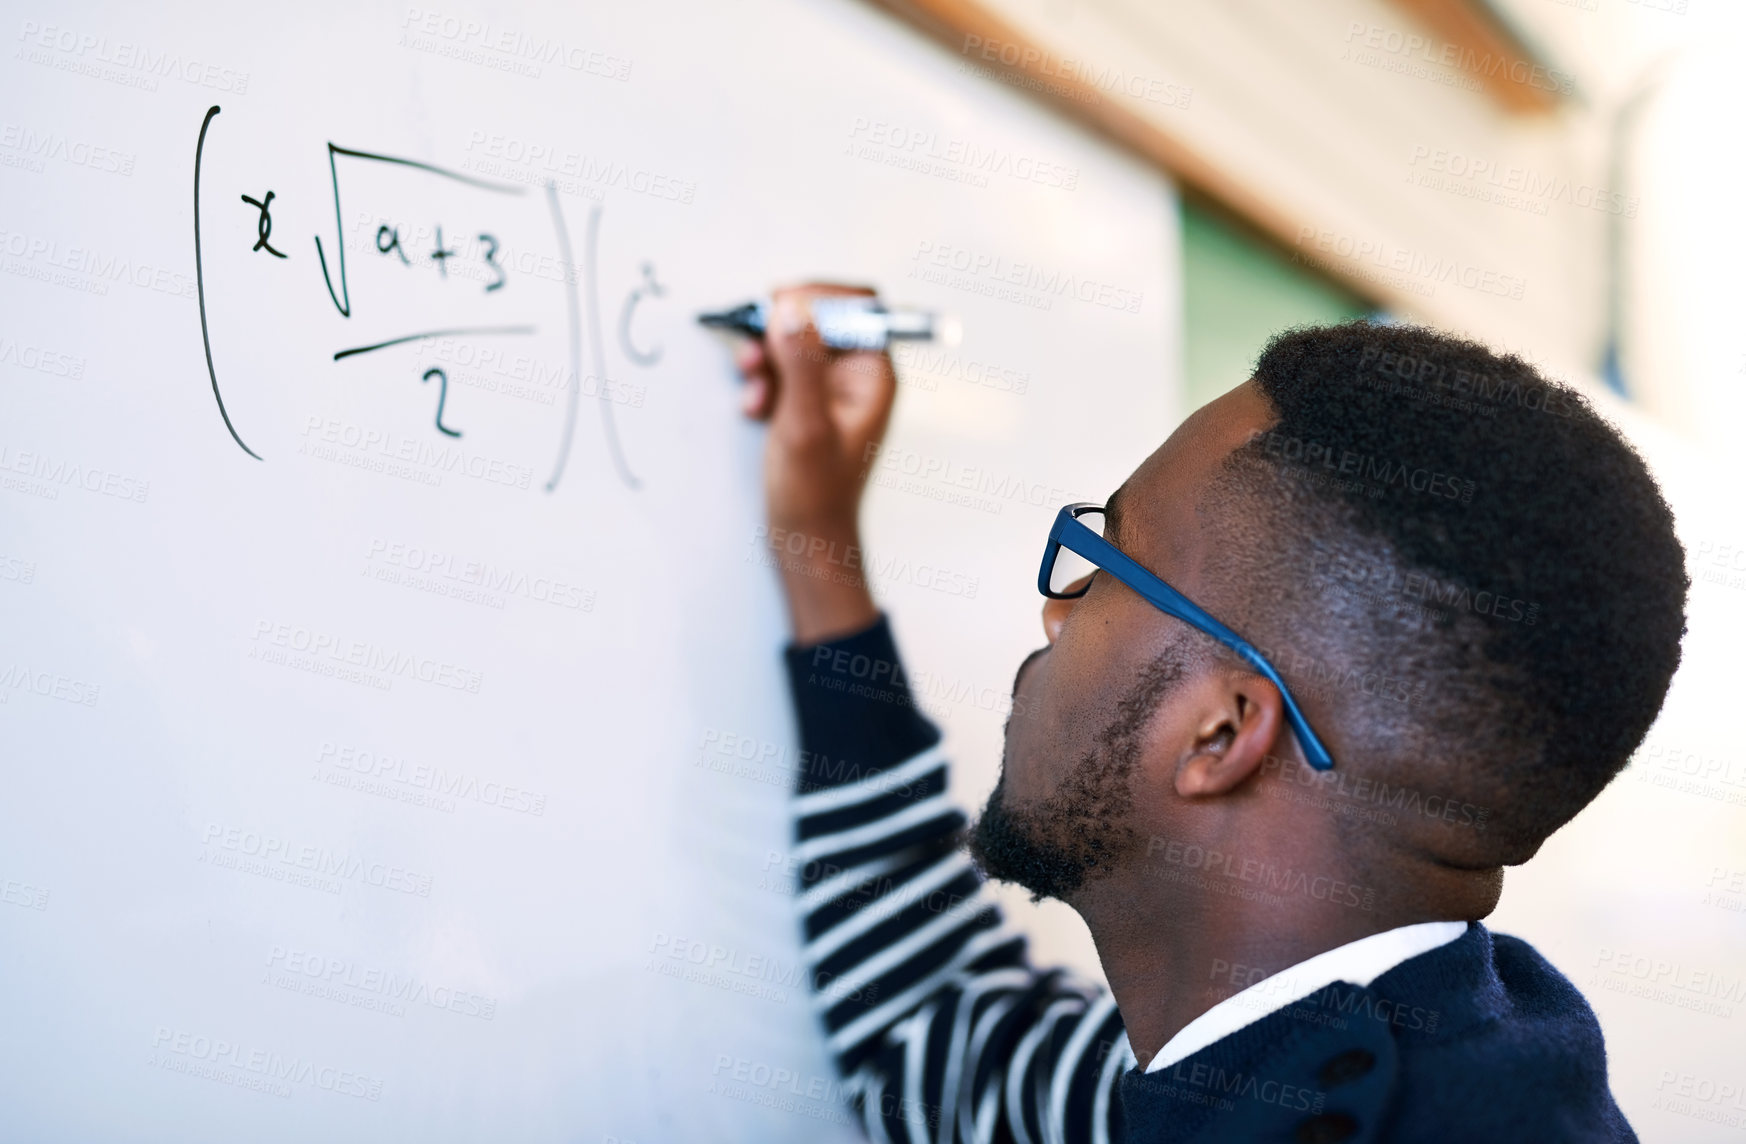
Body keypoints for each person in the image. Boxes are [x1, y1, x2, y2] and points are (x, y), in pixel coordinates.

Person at [733, 284, 1686, 1143]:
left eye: (1108, 564)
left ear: (1221, 735)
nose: (1056, 612)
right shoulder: (1292, 1063)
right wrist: (817, 545)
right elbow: (930, 1034)